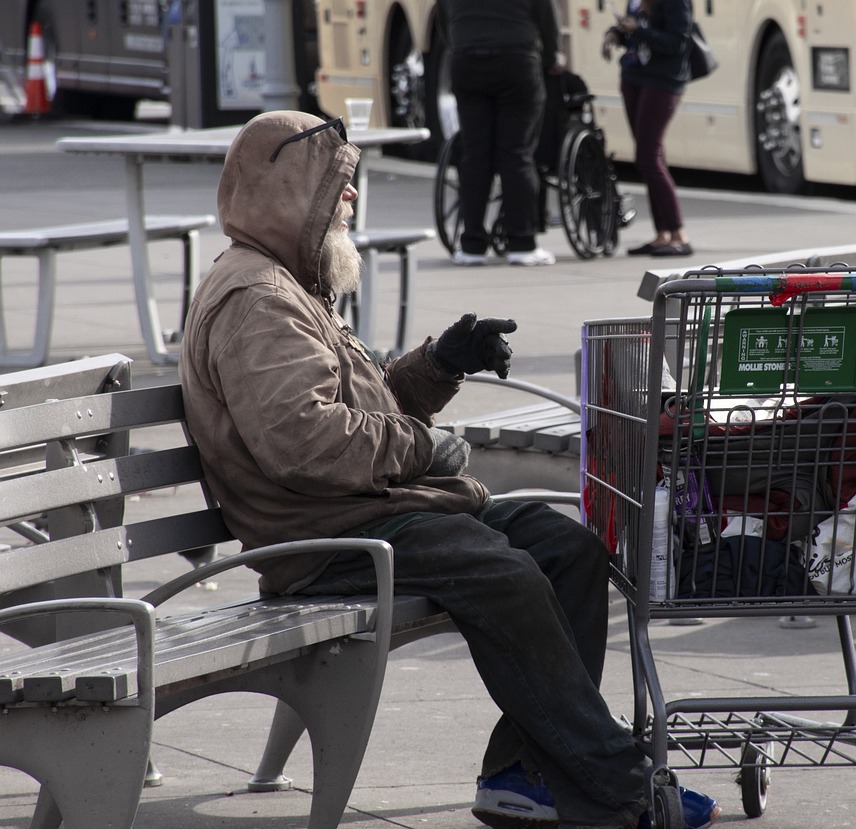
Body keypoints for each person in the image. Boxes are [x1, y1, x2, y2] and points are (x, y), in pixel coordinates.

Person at [179, 111, 720, 829]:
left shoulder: (290, 283)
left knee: (566, 548)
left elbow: (357, 410)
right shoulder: (258, 300)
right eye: (338, 189)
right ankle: (618, 783)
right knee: (503, 571)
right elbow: (305, 444)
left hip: (368, 507)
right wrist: (424, 448)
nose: (350, 202)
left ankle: (522, 772)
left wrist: (440, 366)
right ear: (289, 194)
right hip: (321, 535)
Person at [441, 0, 561, 267]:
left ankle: (472, 245)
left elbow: (443, 20)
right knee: (517, 154)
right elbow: (547, 18)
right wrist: (552, 57)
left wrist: (462, 46)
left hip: (467, 60)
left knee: (475, 154)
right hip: (517, 60)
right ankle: (522, 243)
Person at [603, 0, 695, 258]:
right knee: (651, 158)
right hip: (634, 76)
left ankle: (679, 234)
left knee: (647, 157)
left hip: (663, 81)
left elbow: (677, 42)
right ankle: (662, 233)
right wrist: (615, 34)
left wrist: (638, 30)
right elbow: (635, 29)